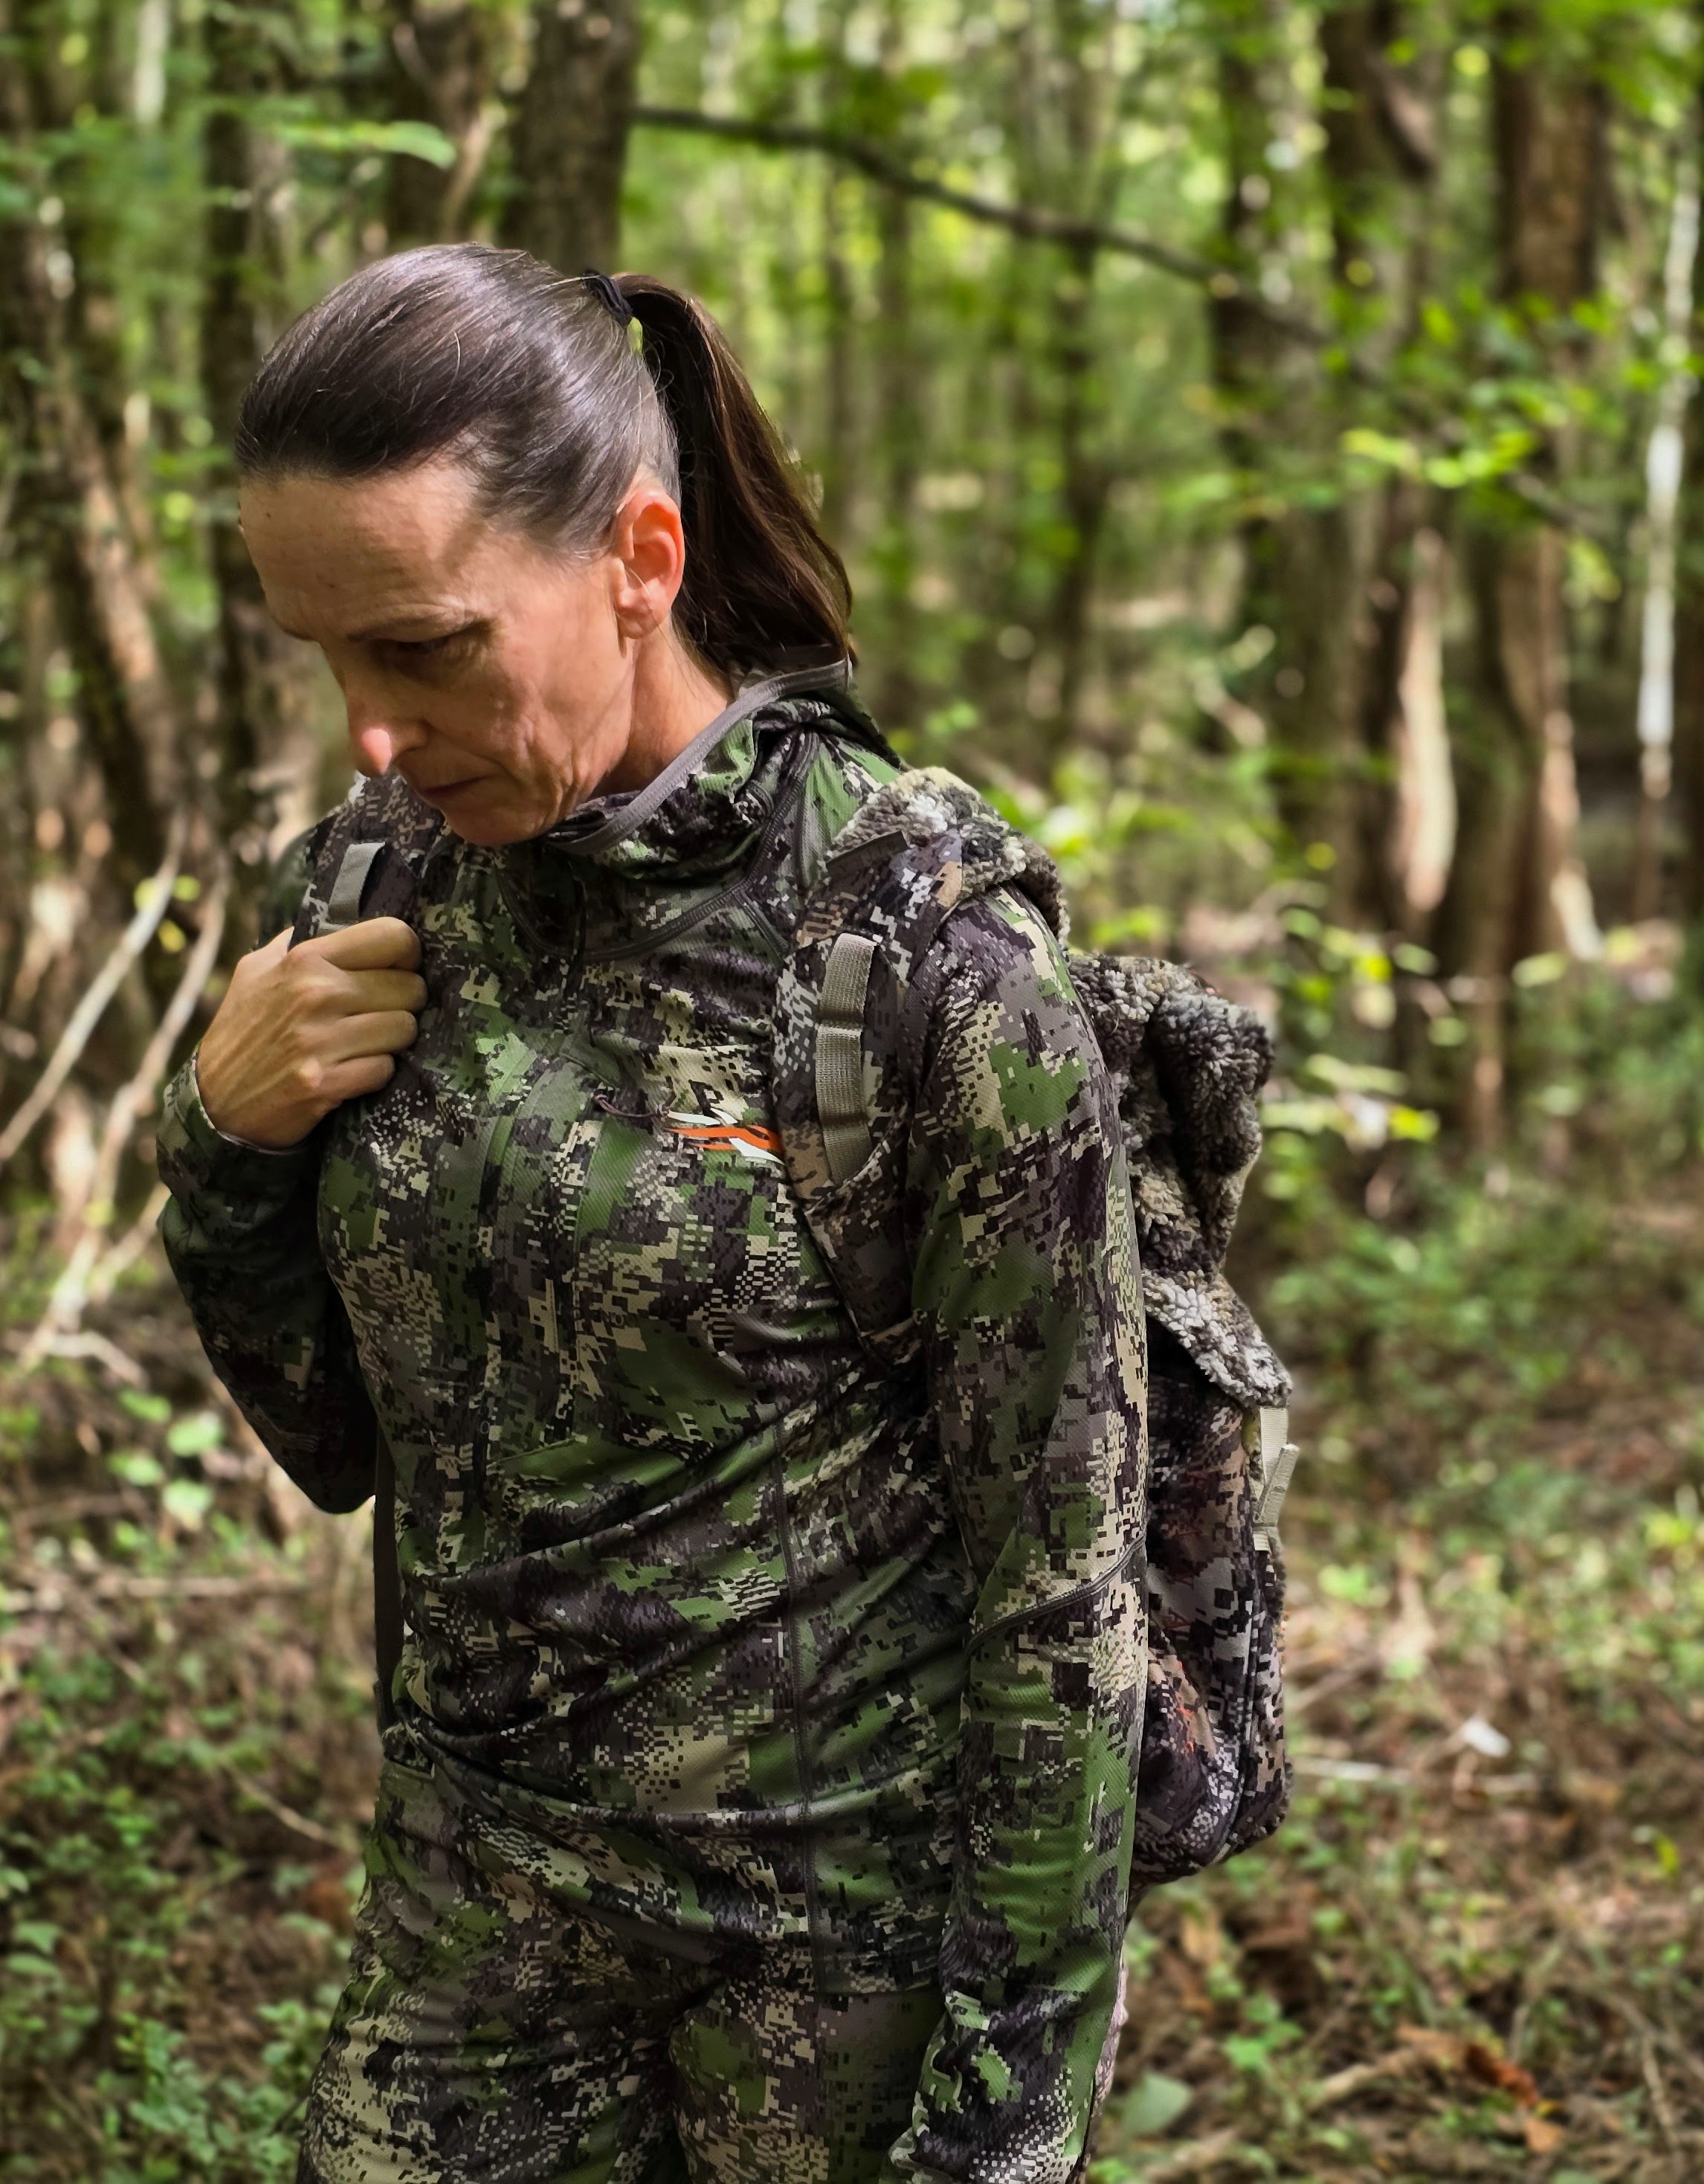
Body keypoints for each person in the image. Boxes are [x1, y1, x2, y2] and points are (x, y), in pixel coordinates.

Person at [155, 246, 1146, 2184]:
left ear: (640, 556)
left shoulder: (912, 961)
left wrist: (1006, 2133)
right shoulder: (370, 889)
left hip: (832, 1957)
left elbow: (1063, 1605)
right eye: (326, 655)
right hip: (471, 1919)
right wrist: (222, 1140)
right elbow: (336, 1440)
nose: (369, 726)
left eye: (427, 646)